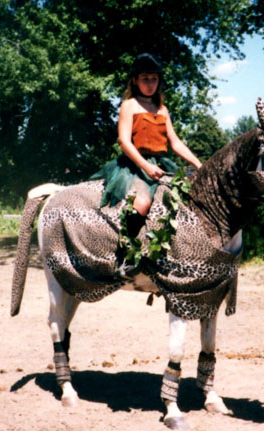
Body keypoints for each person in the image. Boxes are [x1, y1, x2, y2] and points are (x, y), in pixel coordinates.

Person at [91, 53, 202, 272]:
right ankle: (124, 257)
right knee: (141, 203)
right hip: (134, 164)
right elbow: (124, 141)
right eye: (145, 78)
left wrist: (198, 164)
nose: (150, 84)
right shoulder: (129, 105)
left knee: (182, 200)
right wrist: (145, 166)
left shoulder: (162, 110)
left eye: (154, 79)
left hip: (160, 164)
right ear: (135, 80)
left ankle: (169, 255)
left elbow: (175, 142)